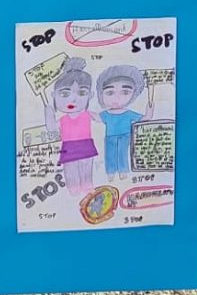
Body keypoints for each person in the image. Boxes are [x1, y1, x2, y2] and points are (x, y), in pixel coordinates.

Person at [45, 59, 98, 195]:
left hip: (86, 145)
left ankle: (87, 187)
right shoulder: (63, 119)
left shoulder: (87, 114)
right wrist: (49, 113)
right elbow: (51, 127)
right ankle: (73, 189)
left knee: (86, 170)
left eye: (81, 93)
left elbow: (103, 119)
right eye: (64, 94)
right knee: (70, 170)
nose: (73, 99)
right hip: (68, 148)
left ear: (90, 95)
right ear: (54, 96)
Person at [94, 62, 148, 176]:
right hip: (110, 137)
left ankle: (123, 171)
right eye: (110, 92)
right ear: (101, 94)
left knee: (122, 154)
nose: (117, 98)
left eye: (125, 92)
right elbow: (97, 118)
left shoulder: (129, 114)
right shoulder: (106, 114)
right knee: (110, 154)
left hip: (125, 136)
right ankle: (110, 172)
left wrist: (149, 111)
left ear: (134, 94)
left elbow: (144, 119)